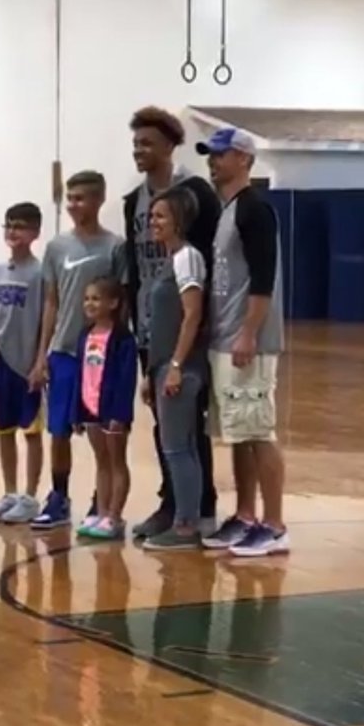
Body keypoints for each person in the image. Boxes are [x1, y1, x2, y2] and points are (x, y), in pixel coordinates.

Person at [123, 107, 221, 540]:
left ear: (169, 146)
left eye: (147, 143)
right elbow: (133, 263)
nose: (139, 151)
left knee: (186, 423)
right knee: (165, 424)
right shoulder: (135, 200)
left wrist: (196, 335)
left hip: (185, 324)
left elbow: (211, 264)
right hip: (150, 320)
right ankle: (172, 503)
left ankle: (199, 509)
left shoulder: (194, 192)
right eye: (135, 144)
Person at [196, 127, 289, 556]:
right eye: (211, 155)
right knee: (238, 433)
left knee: (259, 431)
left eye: (221, 154)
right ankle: (245, 514)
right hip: (225, 338)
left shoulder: (255, 210)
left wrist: (249, 331)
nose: (213, 161)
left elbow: (263, 278)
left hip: (247, 340)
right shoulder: (227, 210)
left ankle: (274, 524)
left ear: (245, 160)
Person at [29, 172, 126, 530]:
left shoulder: (115, 246)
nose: (73, 205)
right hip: (64, 353)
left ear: (99, 200)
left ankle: (102, 502)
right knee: (59, 430)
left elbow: (122, 303)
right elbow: (51, 302)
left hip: (99, 355)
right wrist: (42, 356)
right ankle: (58, 496)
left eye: (81, 198)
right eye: (69, 198)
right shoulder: (56, 247)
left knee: (101, 431)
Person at [140, 185, 209, 551]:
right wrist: (152, 372)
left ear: (179, 220)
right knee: (181, 446)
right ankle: (187, 519)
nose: (154, 221)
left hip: (182, 366)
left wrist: (177, 366)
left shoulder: (187, 258)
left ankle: (185, 527)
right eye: (152, 215)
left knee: (178, 448)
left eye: (161, 215)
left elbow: (192, 314)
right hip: (164, 365)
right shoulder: (171, 260)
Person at [0, 202, 45, 525]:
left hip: (28, 363)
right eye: (8, 225)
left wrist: (40, 362)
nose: (12, 231)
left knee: (31, 432)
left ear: (34, 232)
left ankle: (31, 496)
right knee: (4, 429)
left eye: (19, 226)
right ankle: (10, 491)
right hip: (1, 362)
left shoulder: (41, 273)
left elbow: (48, 321)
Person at [71, 277, 137, 540]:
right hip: (90, 408)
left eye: (96, 298)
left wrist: (120, 414)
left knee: (116, 461)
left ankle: (115, 515)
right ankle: (100, 512)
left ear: (113, 303)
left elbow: (126, 378)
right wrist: (76, 412)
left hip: (112, 411)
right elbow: (81, 373)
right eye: (87, 298)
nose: (89, 303)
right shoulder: (84, 335)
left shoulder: (123, 339)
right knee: (101, 462)